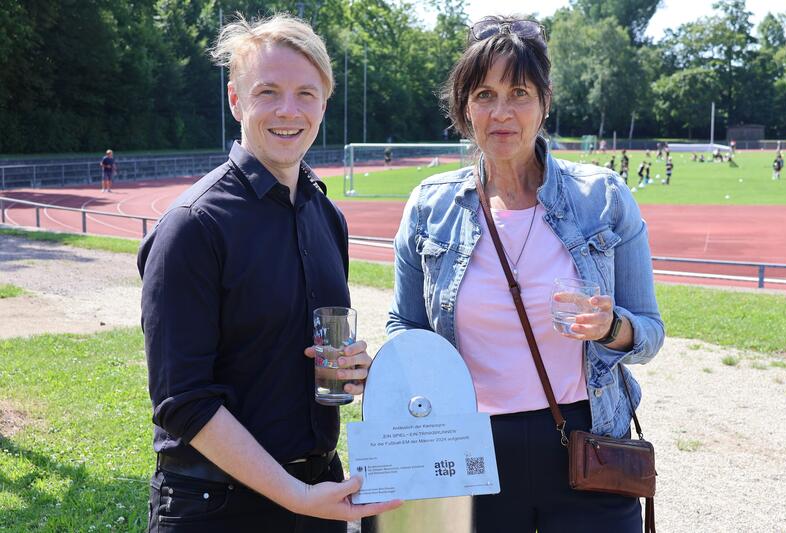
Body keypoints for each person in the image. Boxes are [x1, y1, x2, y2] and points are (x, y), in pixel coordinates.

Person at [387, 16, 664, 532]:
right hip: (470, 447)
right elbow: (404, 326)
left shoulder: (602, 198)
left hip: (586, 440)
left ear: (544, 102)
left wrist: (610, 328)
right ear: (464, 107)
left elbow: (649, 333)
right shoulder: (430, 207)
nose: (502, 112)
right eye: (485, 94)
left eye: (519, 92)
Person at [137, 14, 400, 533]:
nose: (288, 110)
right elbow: (183, 403)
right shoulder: (193, 227)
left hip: (318, 492)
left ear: (324, 103)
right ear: (236, 101)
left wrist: (359, 369)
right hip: (217, 508)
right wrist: (296, 497)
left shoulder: (327, 217)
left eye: (306, 93)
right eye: (268, 92)